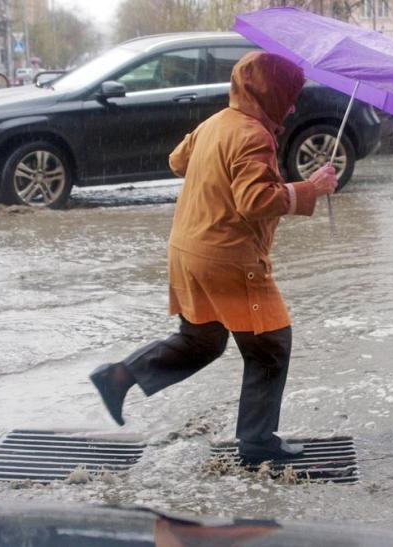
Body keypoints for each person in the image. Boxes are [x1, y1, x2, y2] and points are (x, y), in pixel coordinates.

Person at [89, 51, 338, 464]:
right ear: (269, 91)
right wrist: (310, 188)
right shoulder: (254, 135)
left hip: (187, 251)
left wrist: (216, 164)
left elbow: (176, 161)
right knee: (271, 346)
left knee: (202, 340)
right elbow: (256, 201)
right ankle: (258, 445)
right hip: (228, 260)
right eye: (288, 94)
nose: (292, 104)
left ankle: (119, 376)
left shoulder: (216, 124)